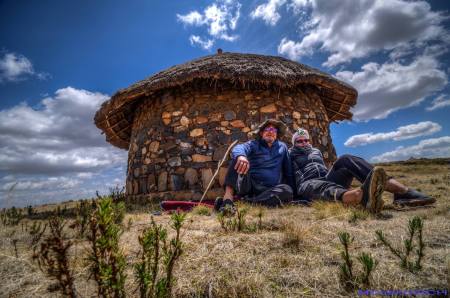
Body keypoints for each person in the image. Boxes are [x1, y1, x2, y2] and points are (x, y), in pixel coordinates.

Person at [290, 128, 436, 213]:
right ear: (294, 143)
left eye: (306, 140)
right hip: (307, 184)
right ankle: (359, 197)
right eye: (299, 141)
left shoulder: (316, 151)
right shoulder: (289, 154)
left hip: (325, 178)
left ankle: (403, 192)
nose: (303, 143)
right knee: (317, 185)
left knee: (345, 159)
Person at [214, 119, 295, 212]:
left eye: (274, 130)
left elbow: (288, 172)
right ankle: (227, 200)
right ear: (261, 133)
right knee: (238, 159)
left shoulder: (283, 147)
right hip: (249, 186)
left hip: (270, 190)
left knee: (287, 190)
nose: (270, 132)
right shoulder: (253, 144)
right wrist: (241, 156)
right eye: (267, 129)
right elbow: (239, 148)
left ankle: (248, 202)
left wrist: (294, 195)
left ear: (276, 134)